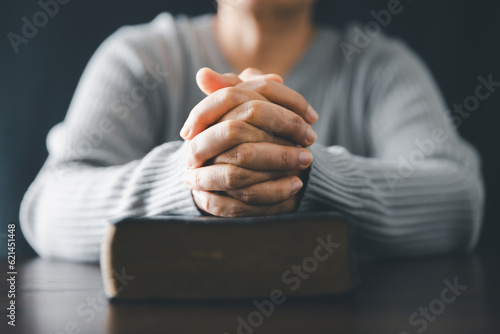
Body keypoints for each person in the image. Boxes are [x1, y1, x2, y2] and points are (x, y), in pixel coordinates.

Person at [20, 0, 484, 262]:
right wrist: (197, 174)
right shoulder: (139, 57)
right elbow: (49, 204)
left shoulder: (380, 67)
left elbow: (459, 200)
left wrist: (306, 172)